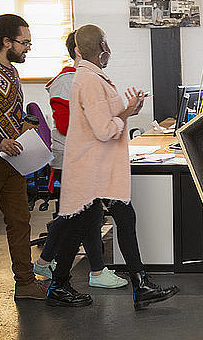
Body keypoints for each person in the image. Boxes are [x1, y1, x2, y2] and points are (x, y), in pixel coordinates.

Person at [45, 24, 178, 309]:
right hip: (94, 168)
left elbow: (106, 116)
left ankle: (137, 284)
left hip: (100, 167)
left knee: (102, 222)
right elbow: (104, 129)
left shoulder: (94, 77)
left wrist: (130, 108)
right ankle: (61, 285)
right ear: (103, 49)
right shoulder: (89, 80)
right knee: (82, 225)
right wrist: (125, 114)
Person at [33, 31, 127, 289]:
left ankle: (86, 269)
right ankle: (59, 264)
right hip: (72, 159)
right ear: (80, 50)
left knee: (88, 214)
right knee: (82, 214)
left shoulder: (87, 77)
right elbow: (66, 125)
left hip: (87, 157)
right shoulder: (68, 81)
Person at [0, 14, 48, 304]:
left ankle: (26, 283)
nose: (28, 48)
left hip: (14, 162)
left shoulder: (12, 72)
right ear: (6, 41)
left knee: (20, 222)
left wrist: (25, 124)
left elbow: (8, 112)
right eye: (24, 42)